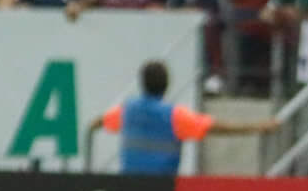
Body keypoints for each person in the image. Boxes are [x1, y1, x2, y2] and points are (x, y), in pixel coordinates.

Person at [96, 60, 274, 174]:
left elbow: (100, 122)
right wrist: (258, 126)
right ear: (166, 84)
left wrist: (95, 124)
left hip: (127, 185)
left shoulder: (127, 109)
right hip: (162, 188)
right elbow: (217, 128)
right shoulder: (173, 115)